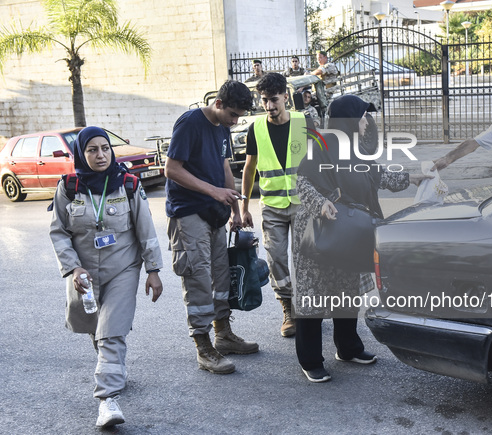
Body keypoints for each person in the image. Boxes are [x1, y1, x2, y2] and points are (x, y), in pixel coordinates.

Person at [293, 95, 433, 382]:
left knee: (347, 292)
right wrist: (320, 203)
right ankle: (310, 360)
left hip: (348, 232)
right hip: (320, 232)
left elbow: (378, 175)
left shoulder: (355, 150)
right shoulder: (319, 146)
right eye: (361, 116)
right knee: (313, 298)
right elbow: (303, 181)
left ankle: (348, 348)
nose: (366, 121)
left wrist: (415, 178)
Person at [49, 126, 163, 428]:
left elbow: (146, 229)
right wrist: (73, 267)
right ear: (81, 154)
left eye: (105, 148)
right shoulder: (69, 186)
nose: (100, 155)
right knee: (95, 328)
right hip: (84, 275)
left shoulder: (127, 183)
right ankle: (114, 369)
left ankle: (107, 399)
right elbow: (58, 232)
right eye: (92, 150)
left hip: (122, 269)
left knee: (111, 331)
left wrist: (153, 270)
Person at [165, 80, 259, 375]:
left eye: (239, 117)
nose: (235, 122)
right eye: (233, 115)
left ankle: (224, 334)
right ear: (218, 104)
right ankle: (204, 347)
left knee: (221, 277)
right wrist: (213, 192)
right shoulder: (190, 122)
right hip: (189, 211)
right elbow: (171, 169)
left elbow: (224, 168)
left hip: (216, 212)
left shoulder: (223, 127)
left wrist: (235, 209)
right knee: (198, 279)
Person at [241, 72, 313, 337]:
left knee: (306, 259)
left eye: (273, 100)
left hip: (304, 203)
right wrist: (244, 207)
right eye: (264, 101)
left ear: (286, 97)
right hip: (272, 206)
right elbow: (249, 169)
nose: (269, 106)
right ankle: (288, 310)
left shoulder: (304, 122)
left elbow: (320, 161)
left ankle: (307, 309)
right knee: (277, 259)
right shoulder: (256, 128)